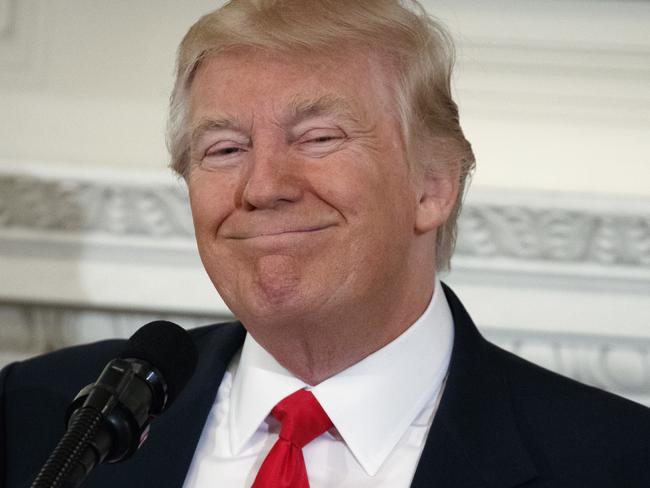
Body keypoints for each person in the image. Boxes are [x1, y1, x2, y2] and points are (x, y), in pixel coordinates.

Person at [2, 1, 649, 487]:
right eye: (224, 149)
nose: (263, 186)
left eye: (317, 138)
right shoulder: (41, 418)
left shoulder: (615, 460)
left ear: (433, 185)